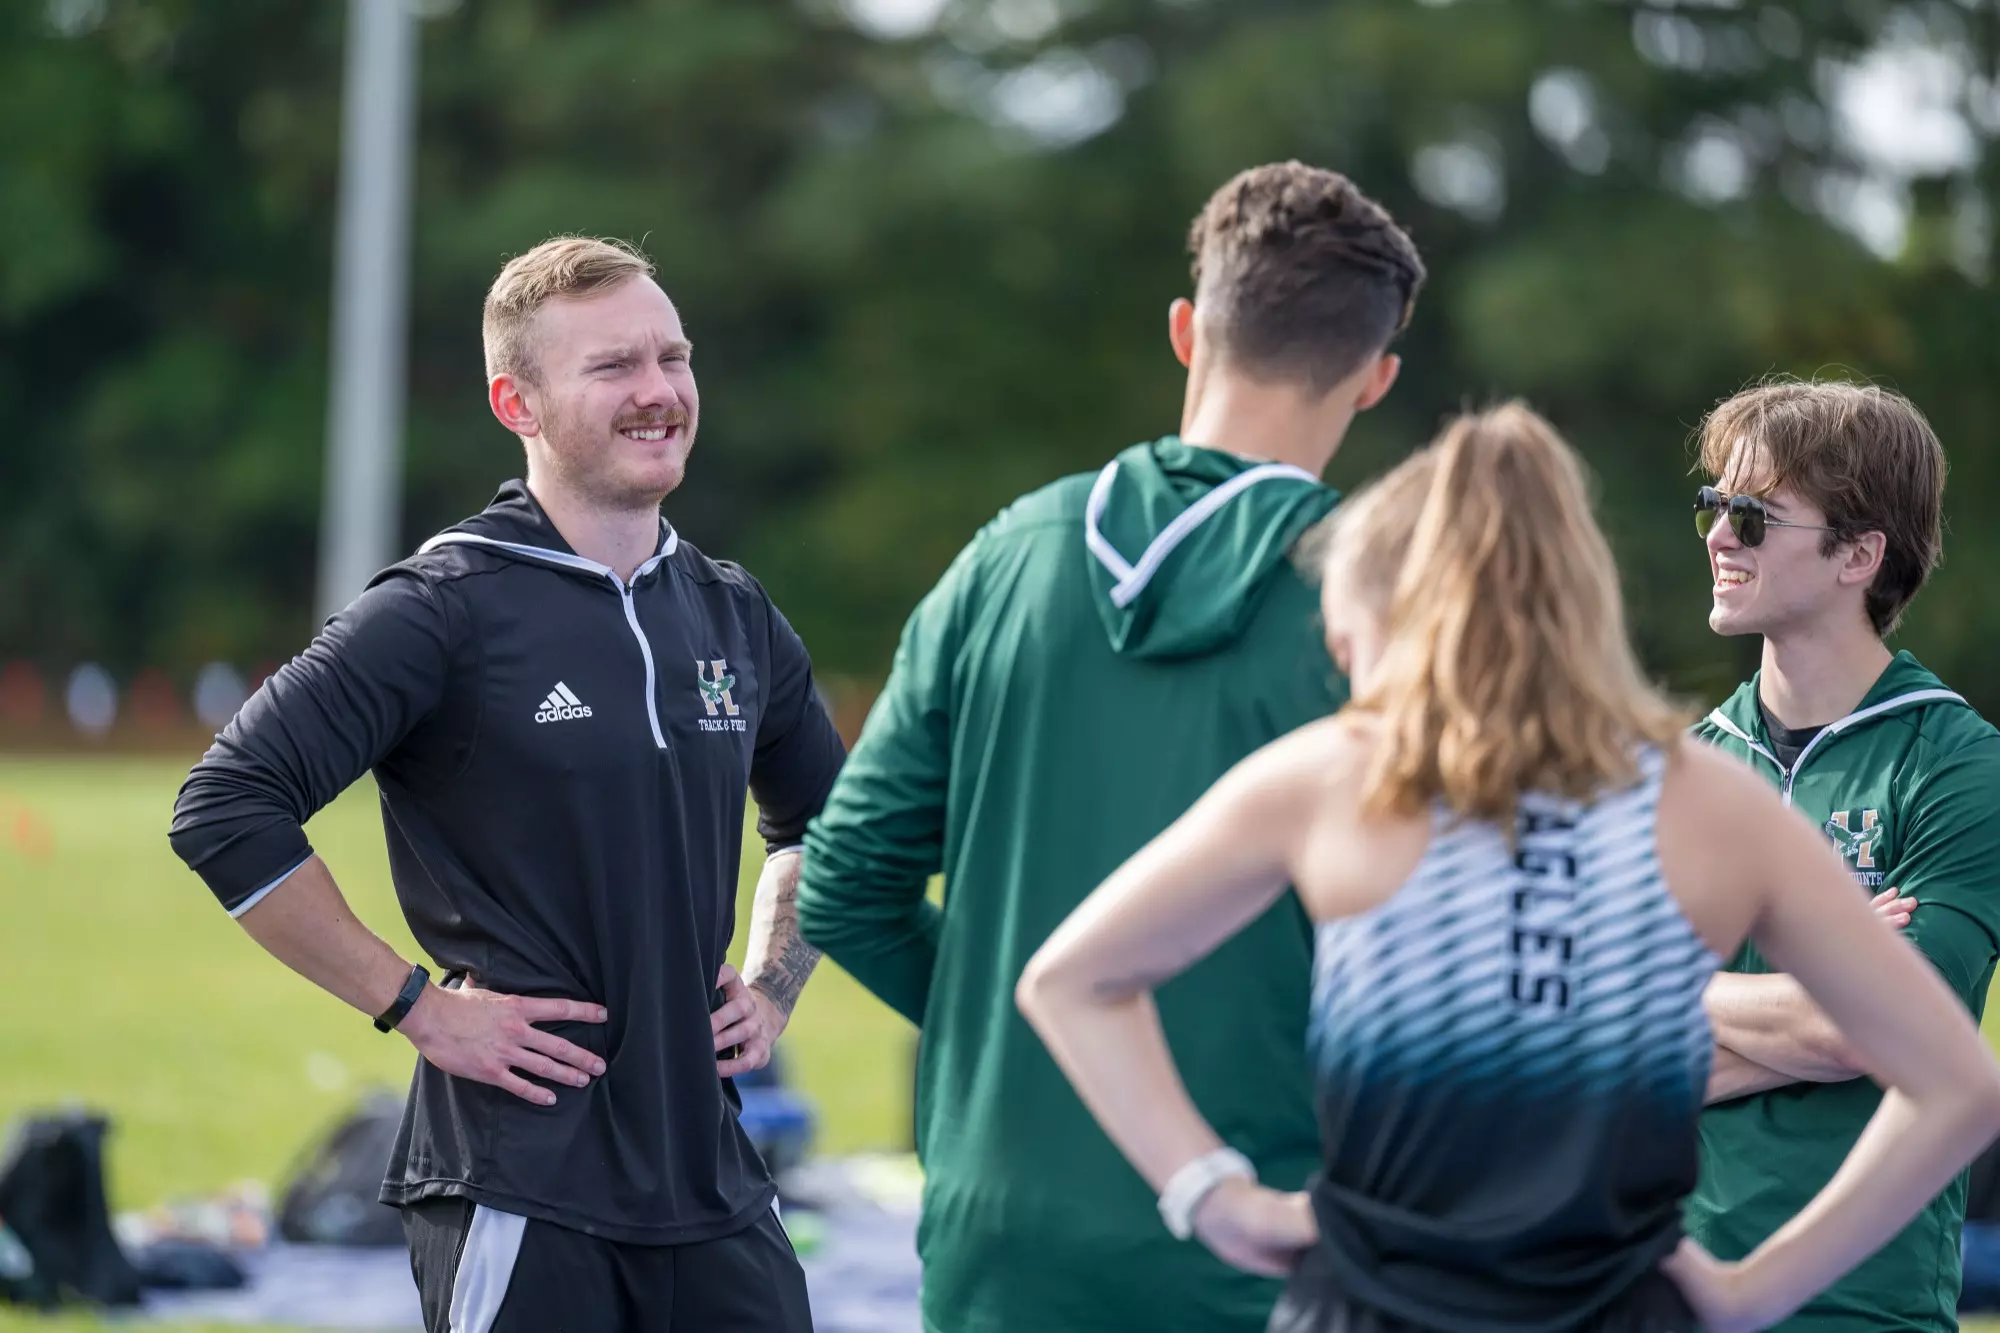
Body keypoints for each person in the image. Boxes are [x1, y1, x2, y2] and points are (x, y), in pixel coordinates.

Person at [1017, 403, 2000, 1333]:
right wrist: (1745, 1292)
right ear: (1586, 595)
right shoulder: (1708, 798)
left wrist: (1216, 1198)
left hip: (1373, 1297)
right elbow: (1957, 1085)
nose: (1717, 536)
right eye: (1713, 510)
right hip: (1615, 1296)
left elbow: (1070, 979)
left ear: (1392, 615)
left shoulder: (1332, 776)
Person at [169, 237, 844, 1333]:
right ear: (514, 402)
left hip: (713, 1177)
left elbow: (827, 822)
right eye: (613, 366)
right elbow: (226, 804)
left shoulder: (730, 610)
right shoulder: (444, 607)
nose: (659, 392)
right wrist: (412, 1006)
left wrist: (771, 984)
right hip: (520, 1180)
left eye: (673, 358)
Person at [794, 161, 1425, 1331]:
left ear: (1187, 331)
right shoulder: (1390, 611)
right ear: (1375, 379)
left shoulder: (1006, 557)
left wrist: (1034, 1034)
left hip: (999, 1234)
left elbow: (840, 886)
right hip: (1266, 1233)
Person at [1684, 379, 2000, 1329]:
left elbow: (1894, 1034)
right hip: (1671, 1291)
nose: (1718, 538)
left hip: (1866, 1306)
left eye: (1752, 515)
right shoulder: (1683, 769)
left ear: (1860, 555)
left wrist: (1669, 994)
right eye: (1714, 506)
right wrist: (1837, 990)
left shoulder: (1959, 762)